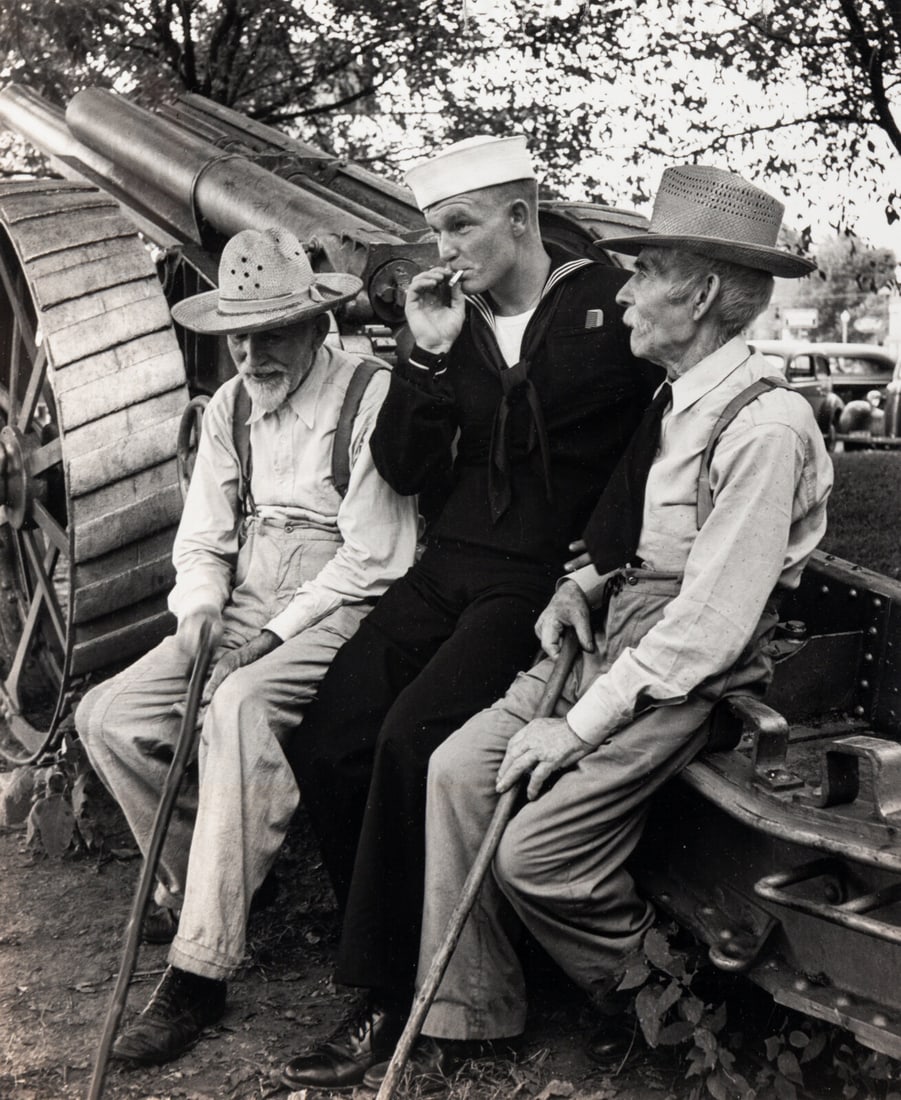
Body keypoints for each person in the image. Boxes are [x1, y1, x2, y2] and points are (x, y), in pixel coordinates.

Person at [359, 164, 834, 1089]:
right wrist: (581, 582)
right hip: (616, 625)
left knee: (539, 857)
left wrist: (571, 728)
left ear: (699, 295)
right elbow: (646, 535)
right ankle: (470, 1014)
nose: (620, 291)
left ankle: (689, 1025)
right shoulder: (674, 395)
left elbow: (710, 623)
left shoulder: (764, 426)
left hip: (686, 668)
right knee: (455, 771)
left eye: (644, 272)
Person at [281, 135, 658, 1091]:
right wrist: (424, 354)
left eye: (458, 226)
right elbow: (405, 470)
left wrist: (608, 548)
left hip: (535, 581)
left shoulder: (608, 303)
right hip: (447, 563)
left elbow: (656, 437)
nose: (442, 250)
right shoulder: (454, 316)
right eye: (433, 231)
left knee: (411, 739)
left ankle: (382, 993)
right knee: (330, 731)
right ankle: (390, 925)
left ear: (519, 218)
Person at [75, 228, 419, 1065]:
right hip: (244, 590)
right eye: (238, 337)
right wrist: (199, 611)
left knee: (235, 705)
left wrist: (263, 640)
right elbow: (203, 535)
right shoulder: (230, 405)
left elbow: (375, 557)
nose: (253, 355)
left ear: (315, 323)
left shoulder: (368, 393)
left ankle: (199, 974)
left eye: (270, 334)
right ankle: (215, 886)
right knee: (108, 716)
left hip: (338, 602)